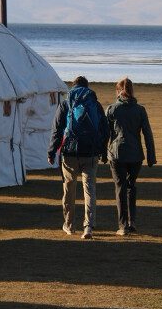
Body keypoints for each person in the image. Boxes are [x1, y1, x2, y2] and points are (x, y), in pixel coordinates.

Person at [48, 76, 108, 239]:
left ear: (72, 87)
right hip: (90, 152)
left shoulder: (66, 102)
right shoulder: (94, 103)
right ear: (87, 87)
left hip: (70, 152)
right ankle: (88, 226)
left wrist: (52, 151)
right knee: (90, 190)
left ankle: (69, 225)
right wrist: (102, 150)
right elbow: (104, 128)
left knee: (69, 188)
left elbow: (57, 129)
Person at [105, 77, 156, 236]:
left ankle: (122, 226)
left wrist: (102, 154)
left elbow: (105, 134)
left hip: (117, 153)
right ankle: (132, 221)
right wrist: (151, 156)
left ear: (118, 91)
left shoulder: (112, 109)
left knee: (120, 187)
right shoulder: (140, 110)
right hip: (135, 155)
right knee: (131, 187)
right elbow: (147, 134)